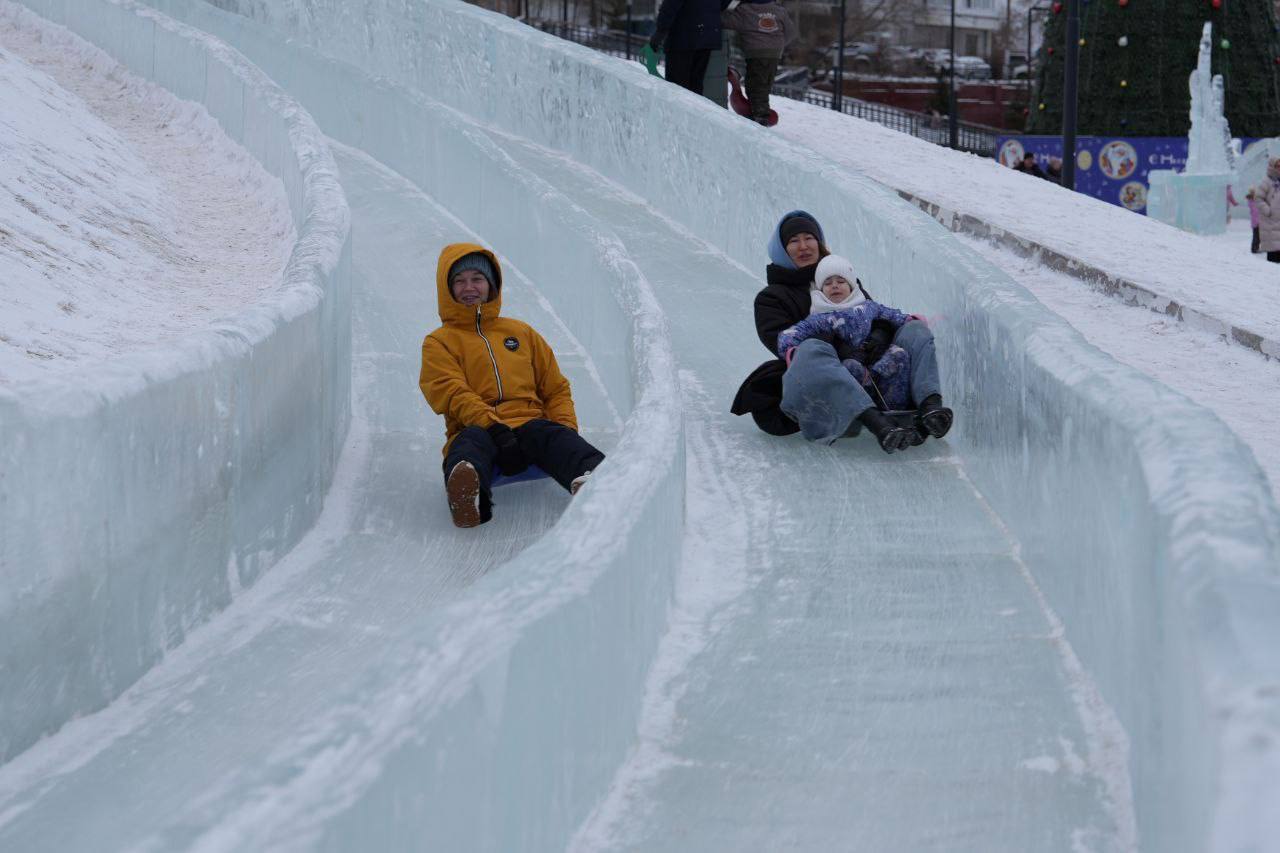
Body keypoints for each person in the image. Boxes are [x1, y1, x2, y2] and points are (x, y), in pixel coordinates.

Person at [730, 211, 953, 453]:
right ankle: (875, 421)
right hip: (819, 377)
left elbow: (874, 313)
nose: (803, 246)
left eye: (809, 238)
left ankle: (930, 406)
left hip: (868, 367)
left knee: (914, 329)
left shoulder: (839, 276)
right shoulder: (771, 298)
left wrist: (877, 337)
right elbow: (782, 343)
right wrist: (840, 345)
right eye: (793, 241)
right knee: (811, 348)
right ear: (782, 249)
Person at [420, 244, 605, 528]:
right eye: (459, 281)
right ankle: (468, 496)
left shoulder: (521, 333)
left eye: (477, 279)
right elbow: (450, 390)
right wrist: (493, 427)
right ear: (447, 289)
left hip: (530, 424)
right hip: (479, 427)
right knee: (467, 444)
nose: (468, 287)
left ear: (491, 284)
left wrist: (565, 429)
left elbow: (554, 388)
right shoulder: (440, 342)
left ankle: (597, 481)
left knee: (551, 434)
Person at [720, 0, 795, 124]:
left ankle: (761, 115)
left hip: (756, 53)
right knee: (765, 83)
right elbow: (791, 33)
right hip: (774, 54)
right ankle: (760, 109)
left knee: (755, 85)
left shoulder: (745, 10)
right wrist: (778, 45)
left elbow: (726, 21)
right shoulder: (779, 10)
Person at [649, 0, 729, 97]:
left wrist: (660, 31)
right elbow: (723, 3)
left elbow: (671, 5)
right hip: (707, 35)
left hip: (682, 36)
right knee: (695, 86)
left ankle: (678, 111)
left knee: (676, 88)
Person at [1254, 158, 1280, 264]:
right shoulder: (1267, 181)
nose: (1279, 168)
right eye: (1277, 166)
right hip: (1271, 221)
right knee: (1273, 251)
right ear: (1272, 167)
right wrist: (1268, 211)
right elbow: (1258, 198)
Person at [1246, 187, 1263, 254]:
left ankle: (1256, 248)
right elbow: (1255, 213)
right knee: (1256, 236)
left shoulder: (1254, 201)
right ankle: (1254, 249)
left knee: (1258, 236)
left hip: (1257, 221)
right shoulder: (1252, 202)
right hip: (1256, 222)